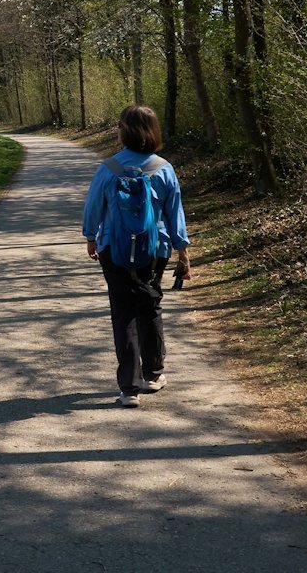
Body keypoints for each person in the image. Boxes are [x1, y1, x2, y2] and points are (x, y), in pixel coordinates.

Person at [82, 105, 191, 407]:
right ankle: (153, 375)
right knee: (150, 306)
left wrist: (91, 237)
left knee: (123, 312)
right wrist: (183, 253)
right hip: (154, 251)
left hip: (113, 249)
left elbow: (93, 207)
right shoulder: (164, 168)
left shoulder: (109, 168)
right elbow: (175, 214)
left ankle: (128, 389)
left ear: (125, 131)